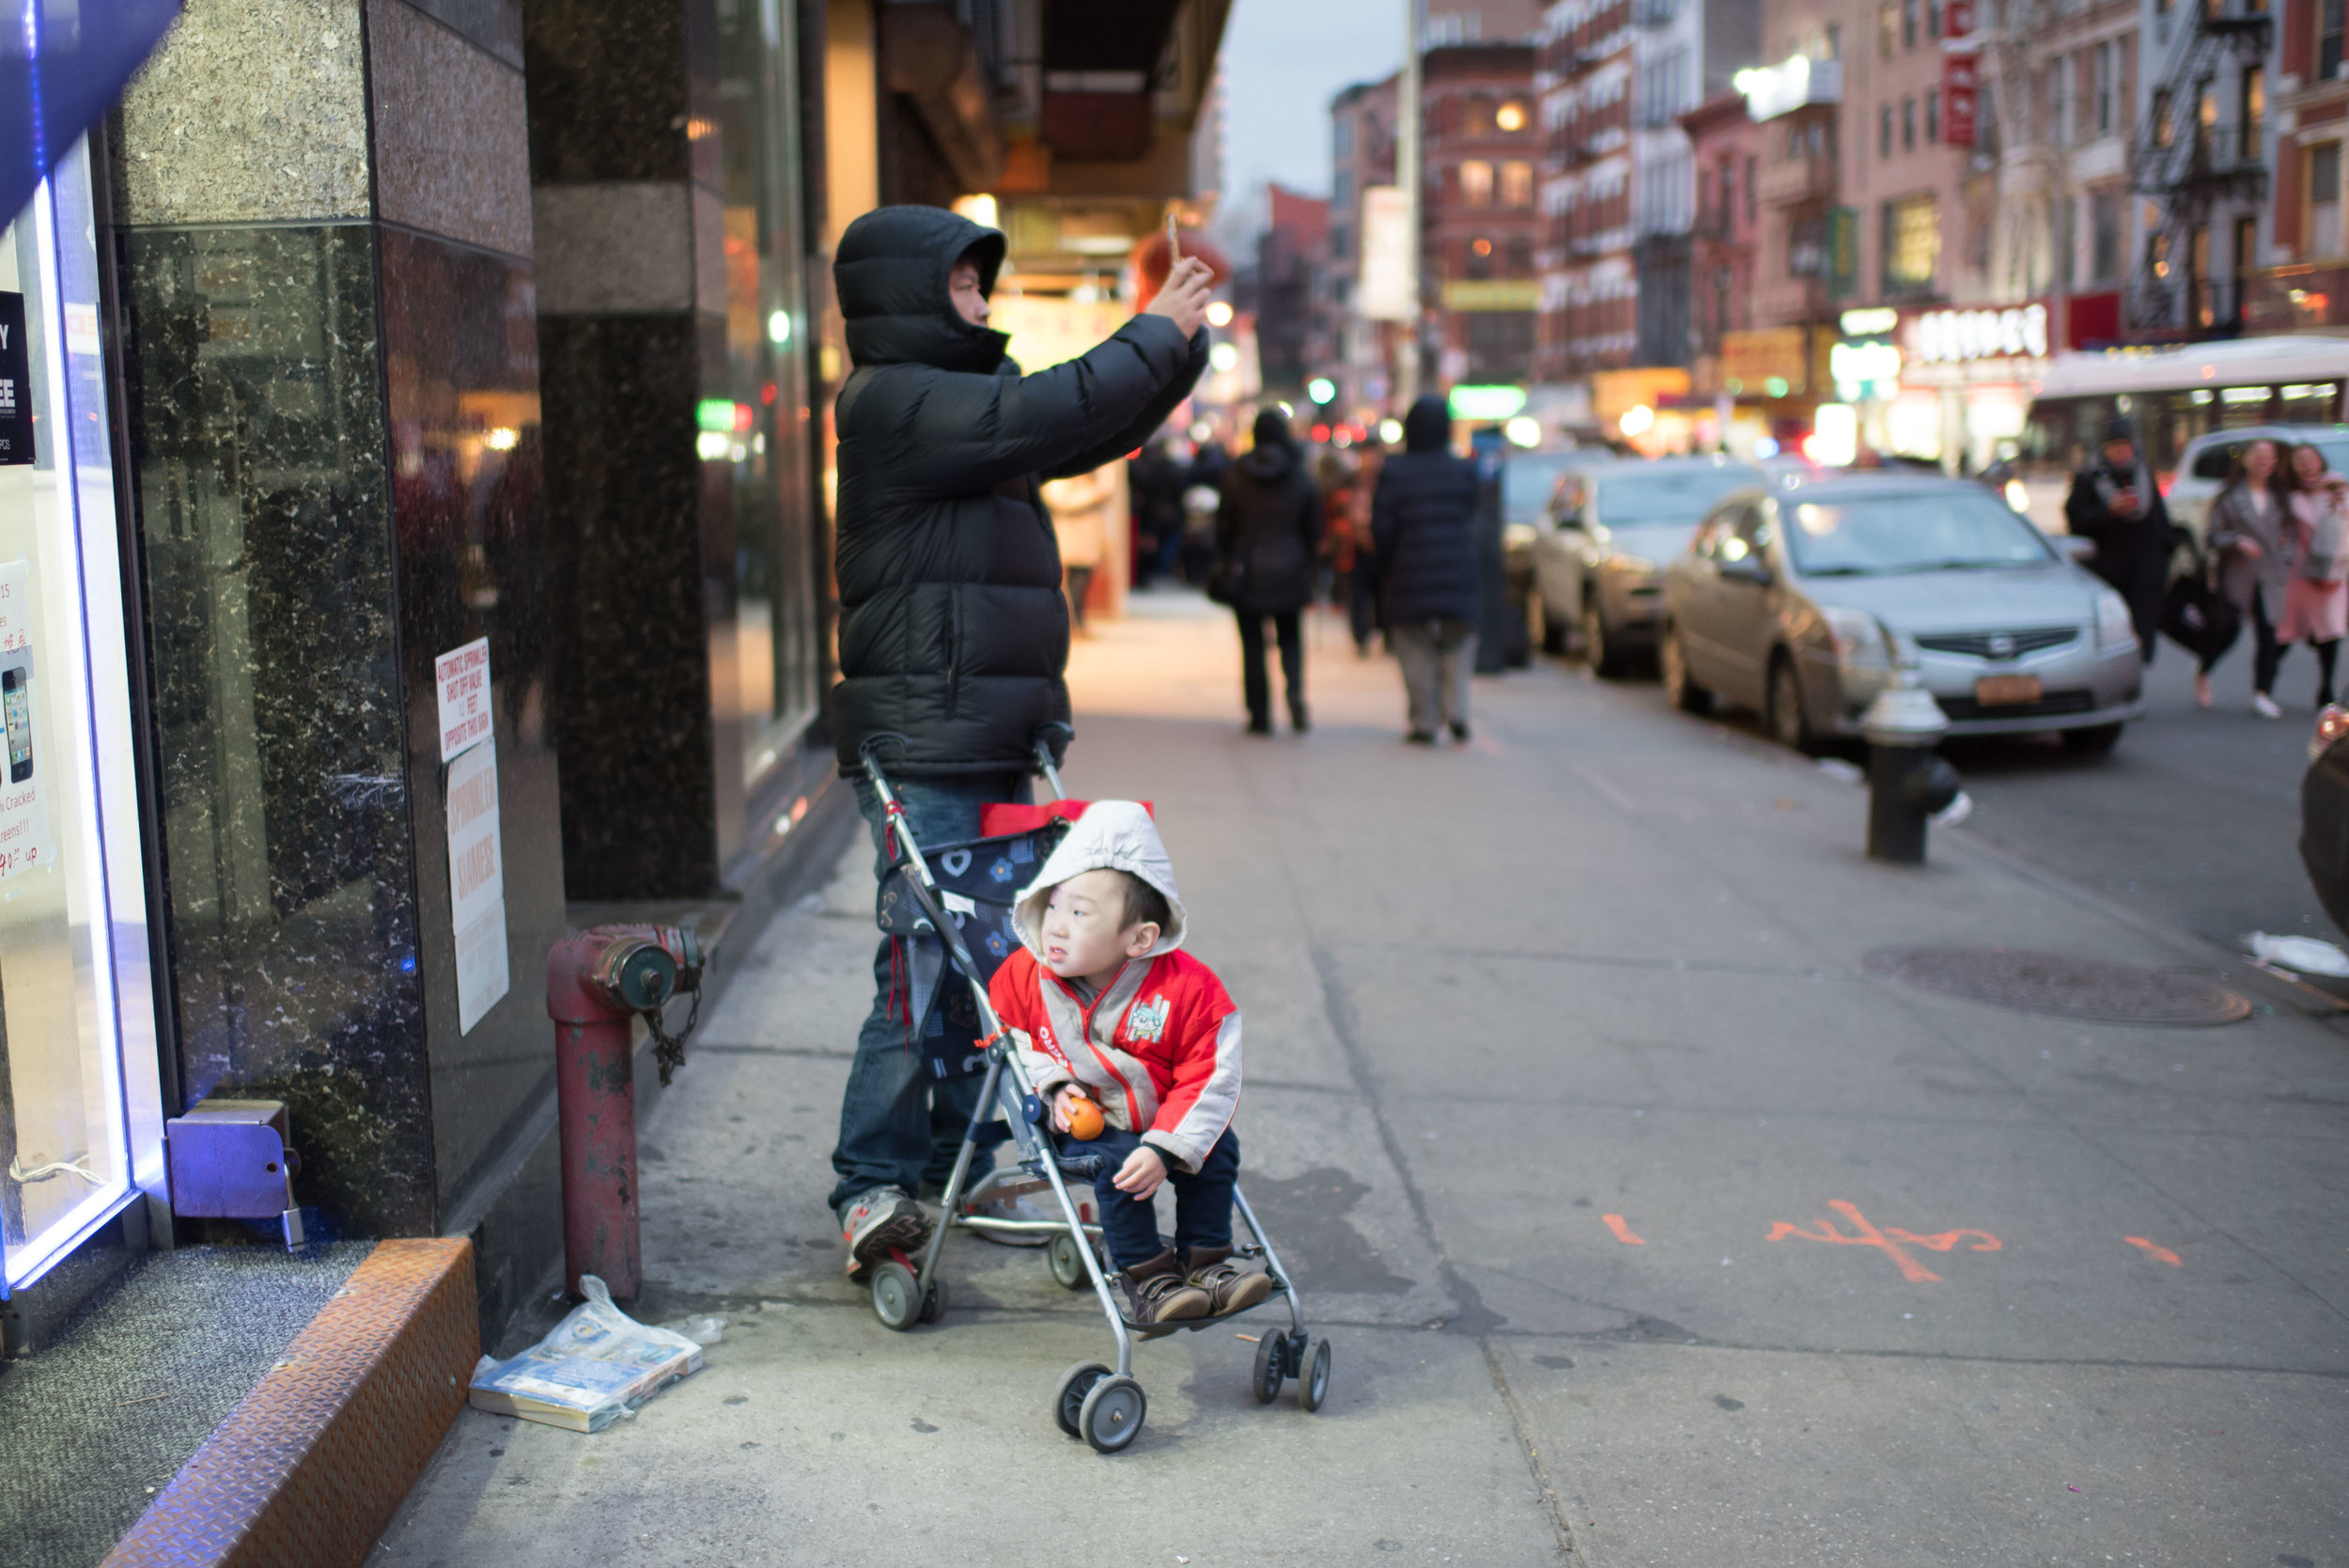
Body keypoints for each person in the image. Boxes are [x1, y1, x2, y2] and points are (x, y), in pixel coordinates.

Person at [825, 204, 1212, 1276]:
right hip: (925, 738)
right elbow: (1051, 410)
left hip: (993, 730)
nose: (980, 302)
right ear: (908, 292)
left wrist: (1177, 346)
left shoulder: (964, 407)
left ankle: (953, 1152)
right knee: (922, 967)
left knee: (1003, 974)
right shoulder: (895, 401)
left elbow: (1091, 429)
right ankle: (871, 1181)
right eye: (961, 283)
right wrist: (1153, 332)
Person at [988, 801, 1270, 1326]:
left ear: (1139, 938)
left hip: (1163, 1120)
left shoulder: (1188, 991)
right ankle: (1150, 1279)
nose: (1056, 927)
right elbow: (1009, 1038)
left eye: (1080, 914)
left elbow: (1210, 1074)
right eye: (1053, 906)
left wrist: (1168, 1145)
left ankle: (1207, 1261)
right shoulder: (1025, 977)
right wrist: (1051, 1087)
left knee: (1217, 1146)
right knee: (1118, 1164)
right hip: (1081, 1125)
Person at [1369, 394, 1483, 743]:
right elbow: (1474, 518)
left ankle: (1424, 720)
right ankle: (1457, 711)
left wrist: (1385, 566)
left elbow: (1382, 528)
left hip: (1409, 572)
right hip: (1456, 571)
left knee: (1414, 644)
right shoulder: (1464, 469)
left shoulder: (1394, 472)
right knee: (1457, 643)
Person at [1214, 410, 1323, 734]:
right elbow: (1314, 528)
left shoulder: (1236, 474)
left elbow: (1224, 527)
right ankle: (1295, 697)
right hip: (1290, 569)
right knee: (1291, 639)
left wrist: (1228, 556)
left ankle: (1259, 714)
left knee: (1252, 646)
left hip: (1247, 571)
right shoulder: (1300, 475)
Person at [2063, 415, 2176, 664]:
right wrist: (2108, 512)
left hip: (2145, 575)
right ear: (2106, 448)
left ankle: (2135, 686)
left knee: (2142, 637)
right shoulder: (2090, 477)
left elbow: (2161, 522)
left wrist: (2164, 560)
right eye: (2116, 446)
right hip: (2109, 574)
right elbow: (2076, 521)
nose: (2122, 451)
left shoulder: (2142, 474)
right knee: (2114, 641)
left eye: (2126, 445)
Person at [2202, 438, 2289, 714]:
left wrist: (2287, 554)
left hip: (2271, 573)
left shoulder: (2280, 496)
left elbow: (2293, 534)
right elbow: (2212, 536)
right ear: (2245, 459)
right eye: (2259, 456)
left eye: (2270, 457)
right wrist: (2237, 540)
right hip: (2239, 574)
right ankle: (2204, 669)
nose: (2265, 462)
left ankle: (2262, 693)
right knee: (2228, 632)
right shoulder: (2229, 496)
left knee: (2268, 634)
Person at [2282, 442, 2349, 709]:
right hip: (2299, 573)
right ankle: (2262, 686)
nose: (2307, 466)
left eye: (2311, 460)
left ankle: (2326, 688)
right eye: (2300, 461)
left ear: (2320, 462)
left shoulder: (2337, 490)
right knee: (2285, 632)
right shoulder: (2288, 496)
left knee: (2331, 630)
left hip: (2333, 570)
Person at [1039, 464, 1117, 630]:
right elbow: (1061, 500)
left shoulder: (1091, 478)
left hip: (1087, 538)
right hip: (1070, 536)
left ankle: (1078, 621)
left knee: (1082, 580)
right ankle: (1071, 622)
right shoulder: (1060, 481)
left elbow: (1107, 488)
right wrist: (1092, 495)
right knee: (1071, 584)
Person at [1129, 440, 1187, 589]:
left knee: (1146, 545)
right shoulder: (1169, 468)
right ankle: (1158, 571)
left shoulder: (1143, 468)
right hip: (1164, 511)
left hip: (1149, 512)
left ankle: (1146, 575)